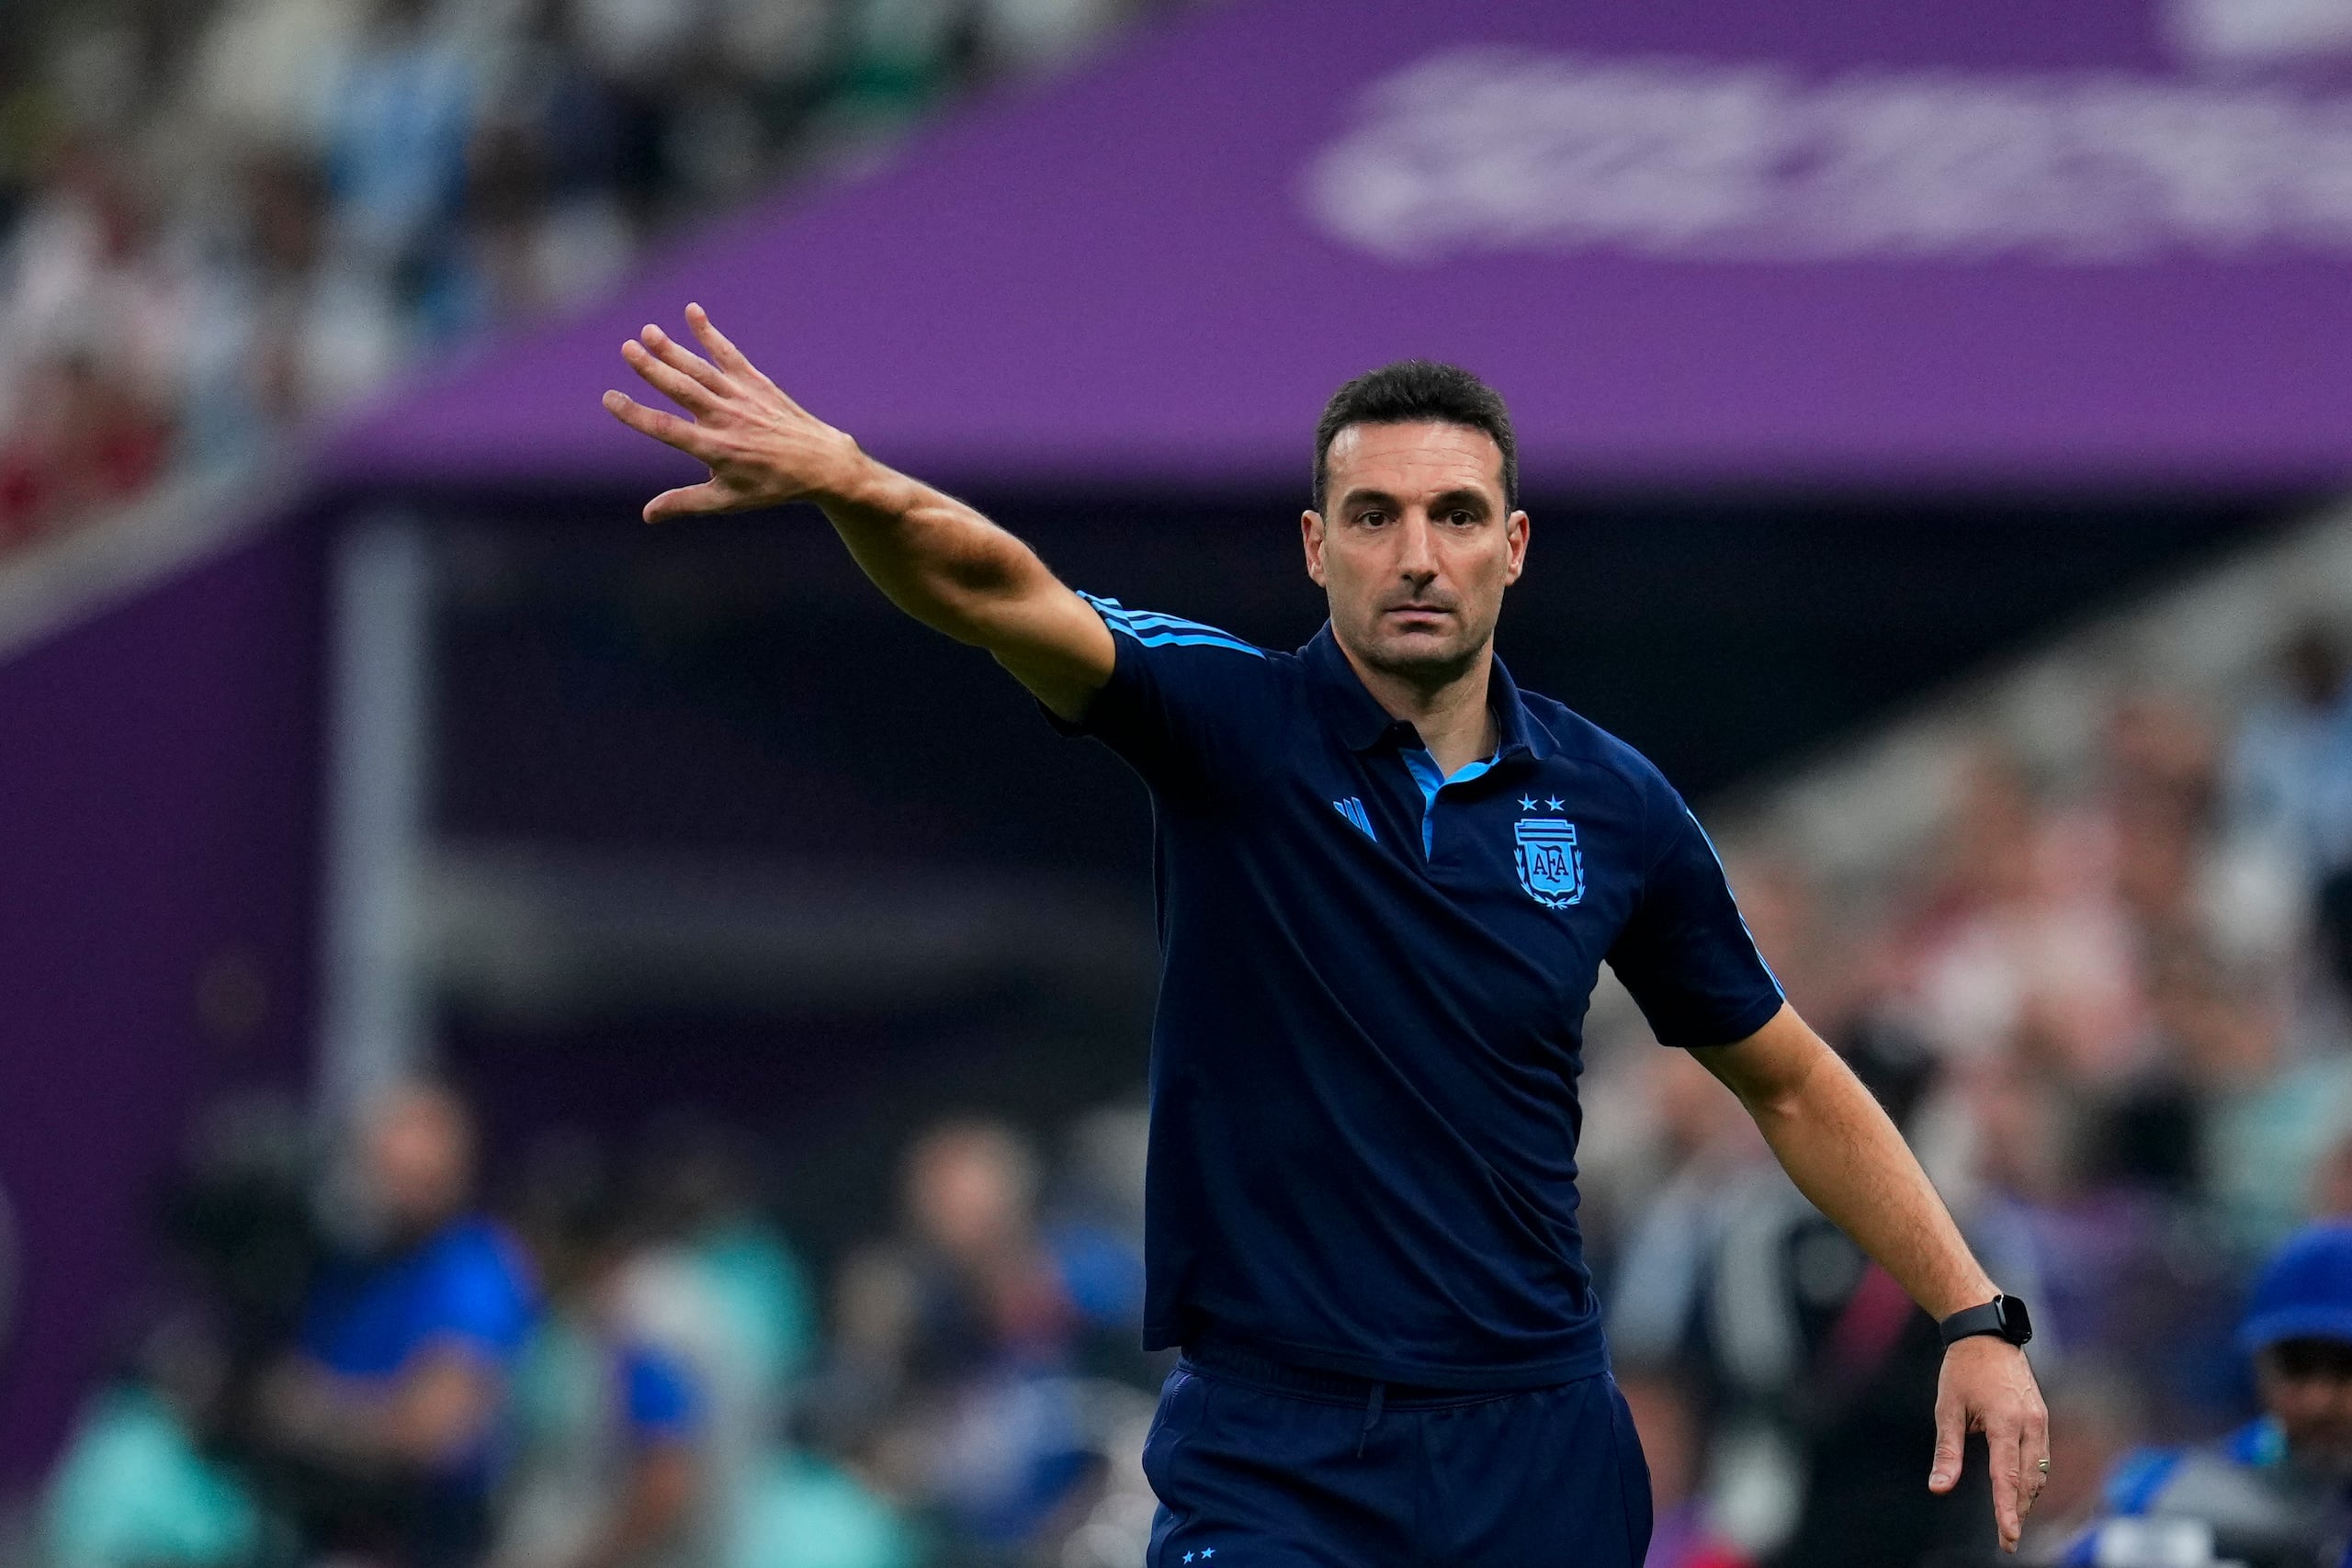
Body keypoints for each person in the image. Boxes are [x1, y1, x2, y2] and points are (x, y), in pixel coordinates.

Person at [599, 309, 2050, 1565]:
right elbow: (994, 587)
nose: (1417, 553)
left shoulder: (1616, 806)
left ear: (1513, 546)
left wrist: (1972, 1313)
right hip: (1276, 1445)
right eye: (1375, 515)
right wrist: (854, 482)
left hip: (1534, 1442)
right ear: (1316, 545)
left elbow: (1788, 1077)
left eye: (1457, 514)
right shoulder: (1227, 722)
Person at [262, 1078, 537, 1567]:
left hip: (428, 1538)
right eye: (389, 1167)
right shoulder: (351, 1271)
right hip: (321, 1525)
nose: (403, 1186)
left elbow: (429, 1430)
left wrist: (306, 1412)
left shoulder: (475, 1273)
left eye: (421, 1172)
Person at [2065, 1223, 2352, 1567]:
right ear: (2260, 1367)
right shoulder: (2176, 1491)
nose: (2318, 1400)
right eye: (2296, 1366)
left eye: (2345, 1365)